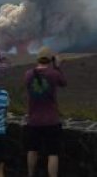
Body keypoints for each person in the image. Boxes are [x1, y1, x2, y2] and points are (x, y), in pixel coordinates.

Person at [25, 46, 67, 177]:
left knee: (32, 150)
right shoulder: (54, 74)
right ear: (51, 59)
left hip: (33, 120)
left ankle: (30, 175)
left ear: (38, 58)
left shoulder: (28, 74)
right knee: (53, 153)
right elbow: (63, 83)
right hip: (51, 119)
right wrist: (57, 66)